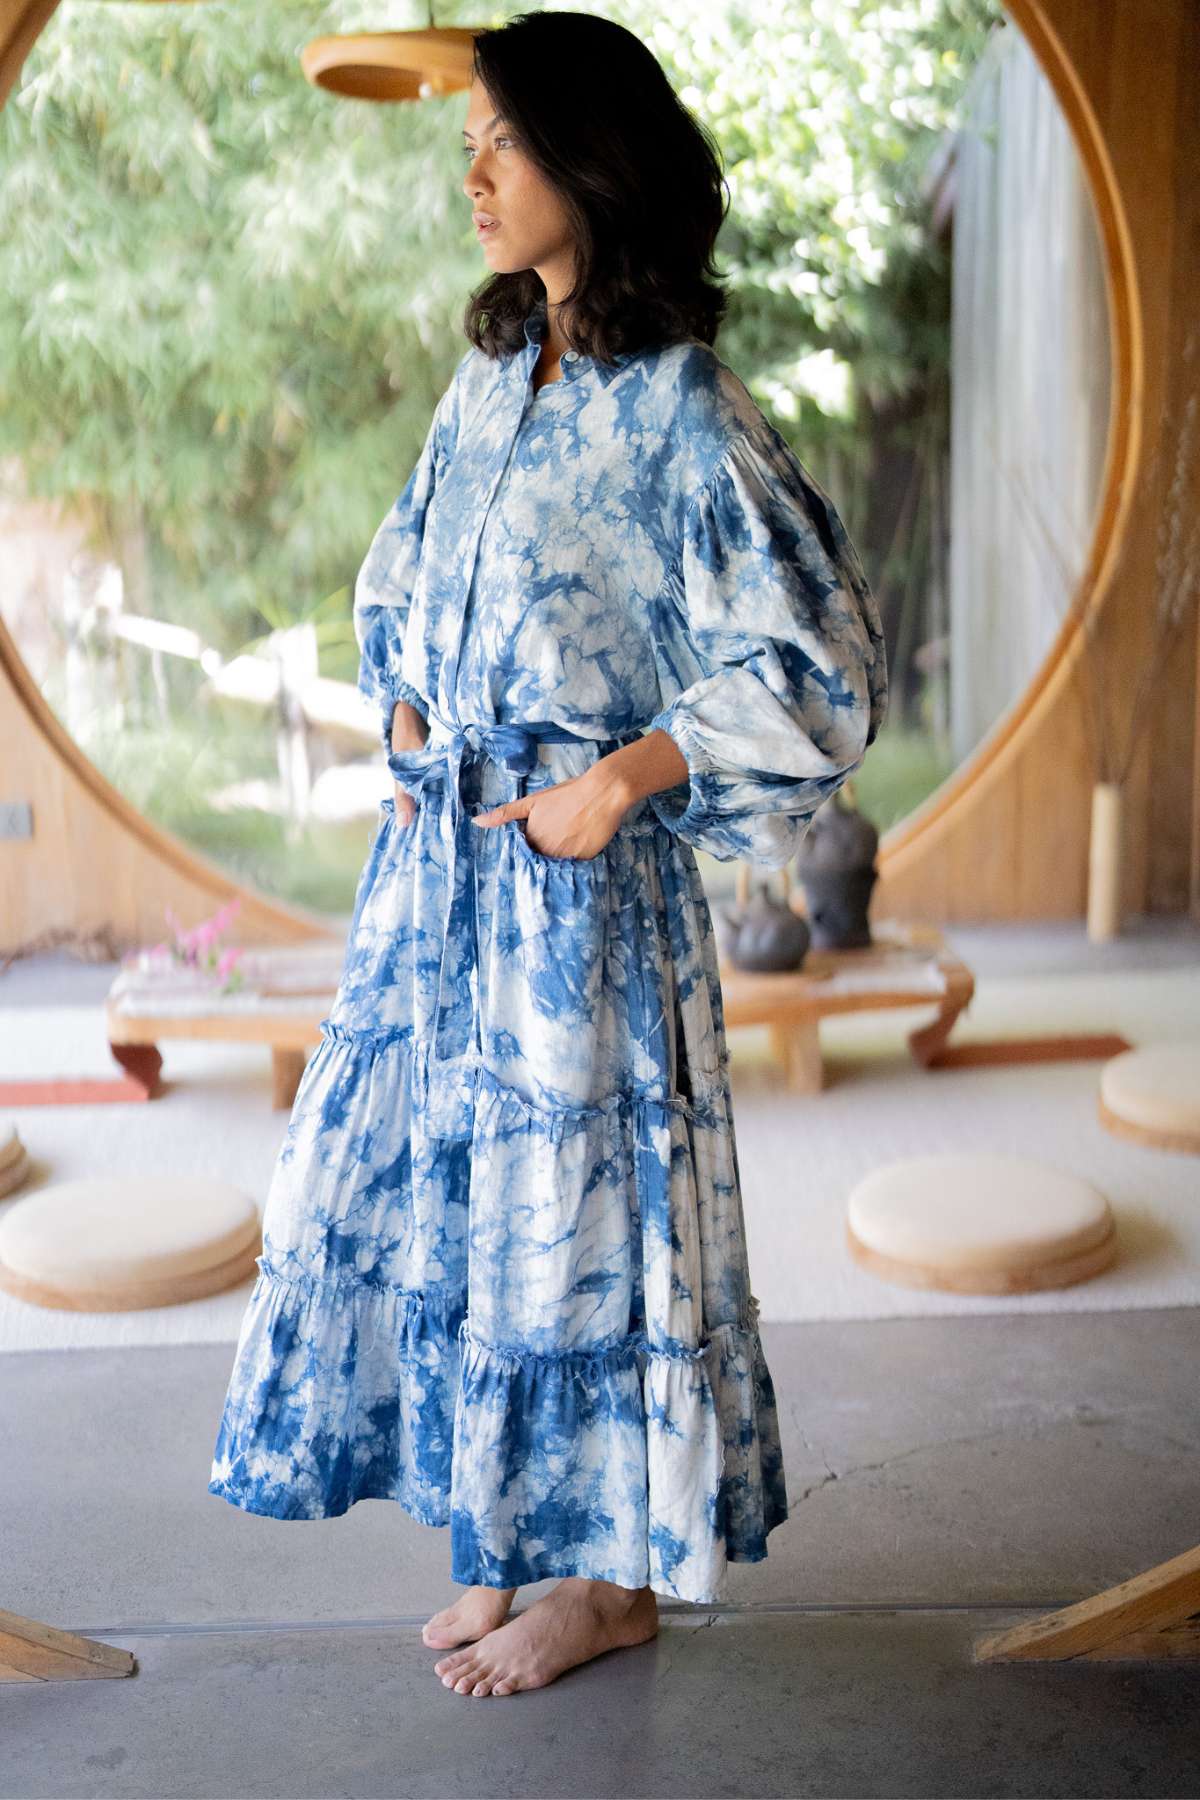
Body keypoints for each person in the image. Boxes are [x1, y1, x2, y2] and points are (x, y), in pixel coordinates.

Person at [208, 9, 887, 1699]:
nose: (475, 173)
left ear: (592, 157)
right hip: (448, 882)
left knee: (572, 1227)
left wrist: (633, 773)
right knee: (470, 1217)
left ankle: (610, 1582)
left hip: (581, 902)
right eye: (469, 144)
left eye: (504, 141)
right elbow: (398, 578)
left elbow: (820, 664)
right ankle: (516, 1543)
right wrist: (417, 711)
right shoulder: (496, 375)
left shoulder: (679, 412)